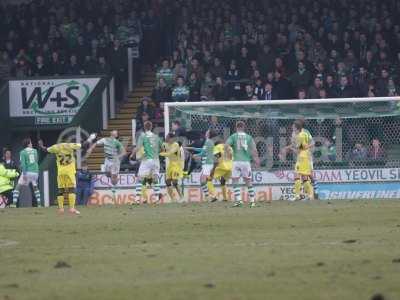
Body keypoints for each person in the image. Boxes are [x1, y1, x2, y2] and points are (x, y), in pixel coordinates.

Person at [226, 121, 260, 207]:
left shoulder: (233, 136)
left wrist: (229, 154)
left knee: (235, 181)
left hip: (236, 161)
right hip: (246, 162)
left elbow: (226, 146)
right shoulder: (249, 137)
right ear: (244, 127)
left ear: (236, 127)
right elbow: (254, 149)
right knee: (248, 181)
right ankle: (252, 202)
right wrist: (256, 159)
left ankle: (239, 201)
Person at [47, 142, 83, 214]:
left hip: (61, 172)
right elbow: (81, 145)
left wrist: (41, 146)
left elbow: (47, 150)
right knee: (71, 189)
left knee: (61, 190)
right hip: (69, 172)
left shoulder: (56, 147)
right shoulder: (70, 145)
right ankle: (72, 208)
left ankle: (61, 209)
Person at [90, 130, 125, 199]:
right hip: (107, 160)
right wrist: (91, 148)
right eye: (113, 131)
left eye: (115, 132)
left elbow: (124, 152)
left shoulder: (117, 143)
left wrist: (117, 157)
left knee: (113, 179)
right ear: (110, 133)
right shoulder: (105, 139)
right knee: (107, 174)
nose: (113, 132)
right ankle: (115, 177)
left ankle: (114, 190)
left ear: (116, 135)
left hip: (115, 162)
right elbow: (96, 143)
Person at [135, 121, 163, 203]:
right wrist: (156, 153)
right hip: (156, 160)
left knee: (140, 178)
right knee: (155, 179)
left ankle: (137, 199)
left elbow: (138, 147)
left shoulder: (143, 136)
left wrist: (132, 154)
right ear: (151, 127)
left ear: (144, 127)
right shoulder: (156, 136)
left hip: (147, 160)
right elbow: (163, 148)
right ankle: (157, 198)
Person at [12, 138, 41, 207]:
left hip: (28, 172)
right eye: (30, 143)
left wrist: (24, 174)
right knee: (35, 187)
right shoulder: (35, 150)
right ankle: (39, 204)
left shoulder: (22, 152)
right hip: (35, 172)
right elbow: (36, 160)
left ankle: (13, 203)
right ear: (28, 144)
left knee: (18, 187)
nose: (32, 144)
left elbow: (23, 164)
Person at [292, 120, 314, 201]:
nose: (292, 127)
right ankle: (310, 195)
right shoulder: (304, 134)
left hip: (301, 157)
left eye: (293, 126)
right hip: (306, 156)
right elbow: (311, 144)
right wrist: (306, 147)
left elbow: (298, 149)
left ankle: (297, 195)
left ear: (296, 128)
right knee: (304, 177)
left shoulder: (299, 136)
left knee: (296, 175)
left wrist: (292, 149)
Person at [159, 133, 184, 202]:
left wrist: (160, 154)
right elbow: (160, 148)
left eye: (167, 137)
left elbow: (169, 153)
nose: (166, 138)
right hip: (170, 165)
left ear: (171, 138)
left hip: (177, 165)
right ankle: (173, 199)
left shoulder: (176, 145)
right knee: (167, 181)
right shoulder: (165, 144)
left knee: (175, 182)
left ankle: (182, 197)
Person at [199, 129, 218, 202]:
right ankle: (208, 197)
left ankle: (213, 195)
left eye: (207, 131)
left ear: (209, 134)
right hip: (207, 164)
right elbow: (203, 150)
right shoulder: (209, 142)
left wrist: (196, 155)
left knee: (203, 180)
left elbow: (203, 153)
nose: (206, 132)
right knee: (201, 181)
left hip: (207, 163)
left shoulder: (207, 141)